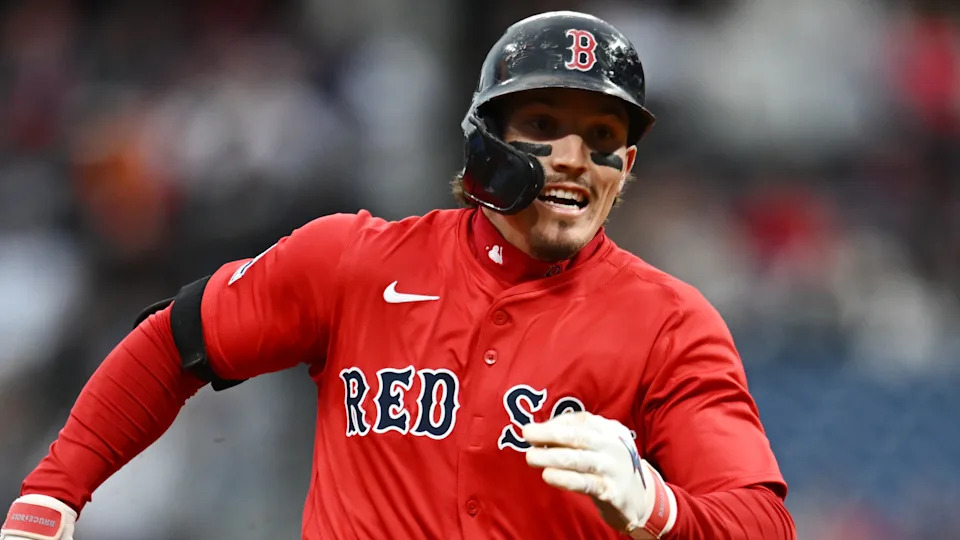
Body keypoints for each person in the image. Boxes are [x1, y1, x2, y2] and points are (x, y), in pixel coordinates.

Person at [1, 11, 795, 540]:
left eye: (601, 137)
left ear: (627, 164)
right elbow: (175, 342)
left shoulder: (670, 321)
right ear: (483, 141)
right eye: (544, 126)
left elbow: (759, 523)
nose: (573, 159)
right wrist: (55, 488)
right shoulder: (355, 261)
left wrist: (658, 508)